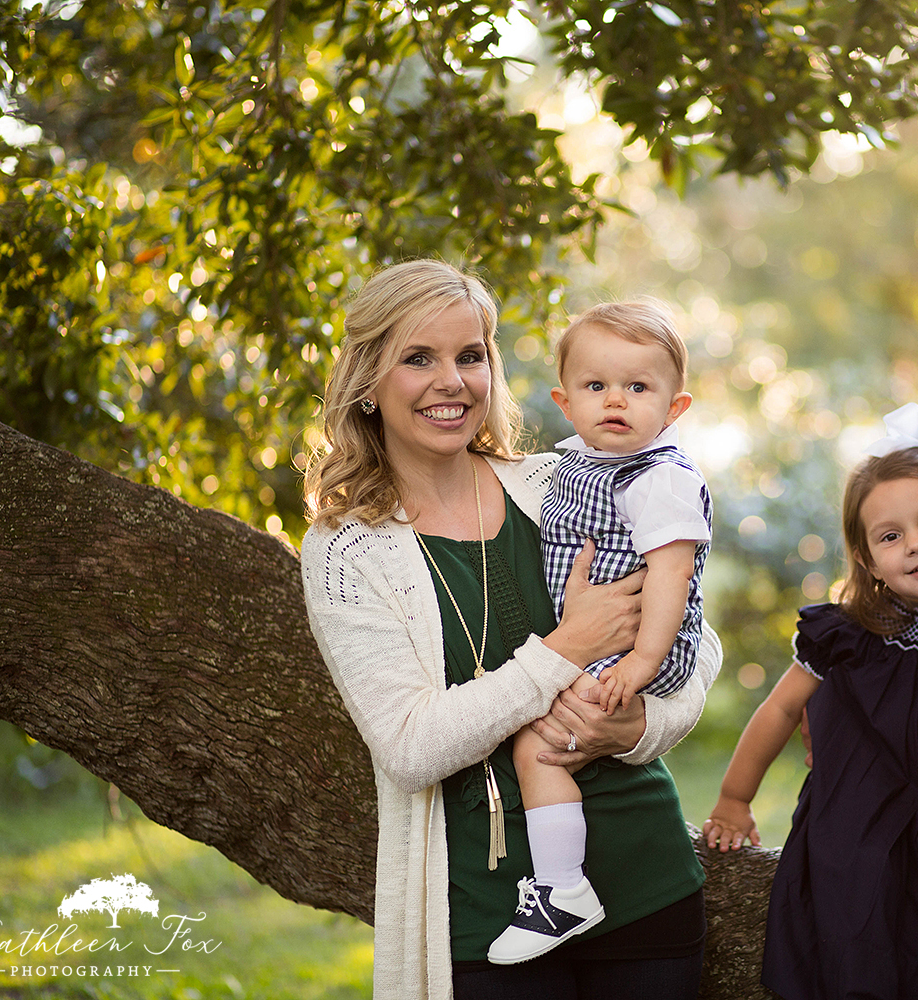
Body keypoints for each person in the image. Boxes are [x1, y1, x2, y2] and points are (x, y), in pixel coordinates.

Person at [299, 260, 721, 1000]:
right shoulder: (347, 550)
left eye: (470, 356)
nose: (451, 382)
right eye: (418, 358)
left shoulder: (562, 481)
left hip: (643, 881)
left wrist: (635, 728)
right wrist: (566, 649)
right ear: (368, 381)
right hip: (484, 914)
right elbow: (409, 747)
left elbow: (697, 641)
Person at [703, 404, 918, 1000]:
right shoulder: (848, 633)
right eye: (891, 536)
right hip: (858, 816)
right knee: (858, 931)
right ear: (868, 557)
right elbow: (779, 709)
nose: (917, 545)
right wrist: (734, 799)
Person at [488, 299, 712, 964]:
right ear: (564, 401)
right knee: (546, 732)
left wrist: (642, 661)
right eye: (596, 386)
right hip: (607, 640)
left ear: (674, 408)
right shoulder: (573, 464)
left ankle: (563, 890)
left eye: (638, 387)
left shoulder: (660, 478)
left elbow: (672, 576)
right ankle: (562, 883)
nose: (615, 400)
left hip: (642, 645)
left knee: (538, 742)